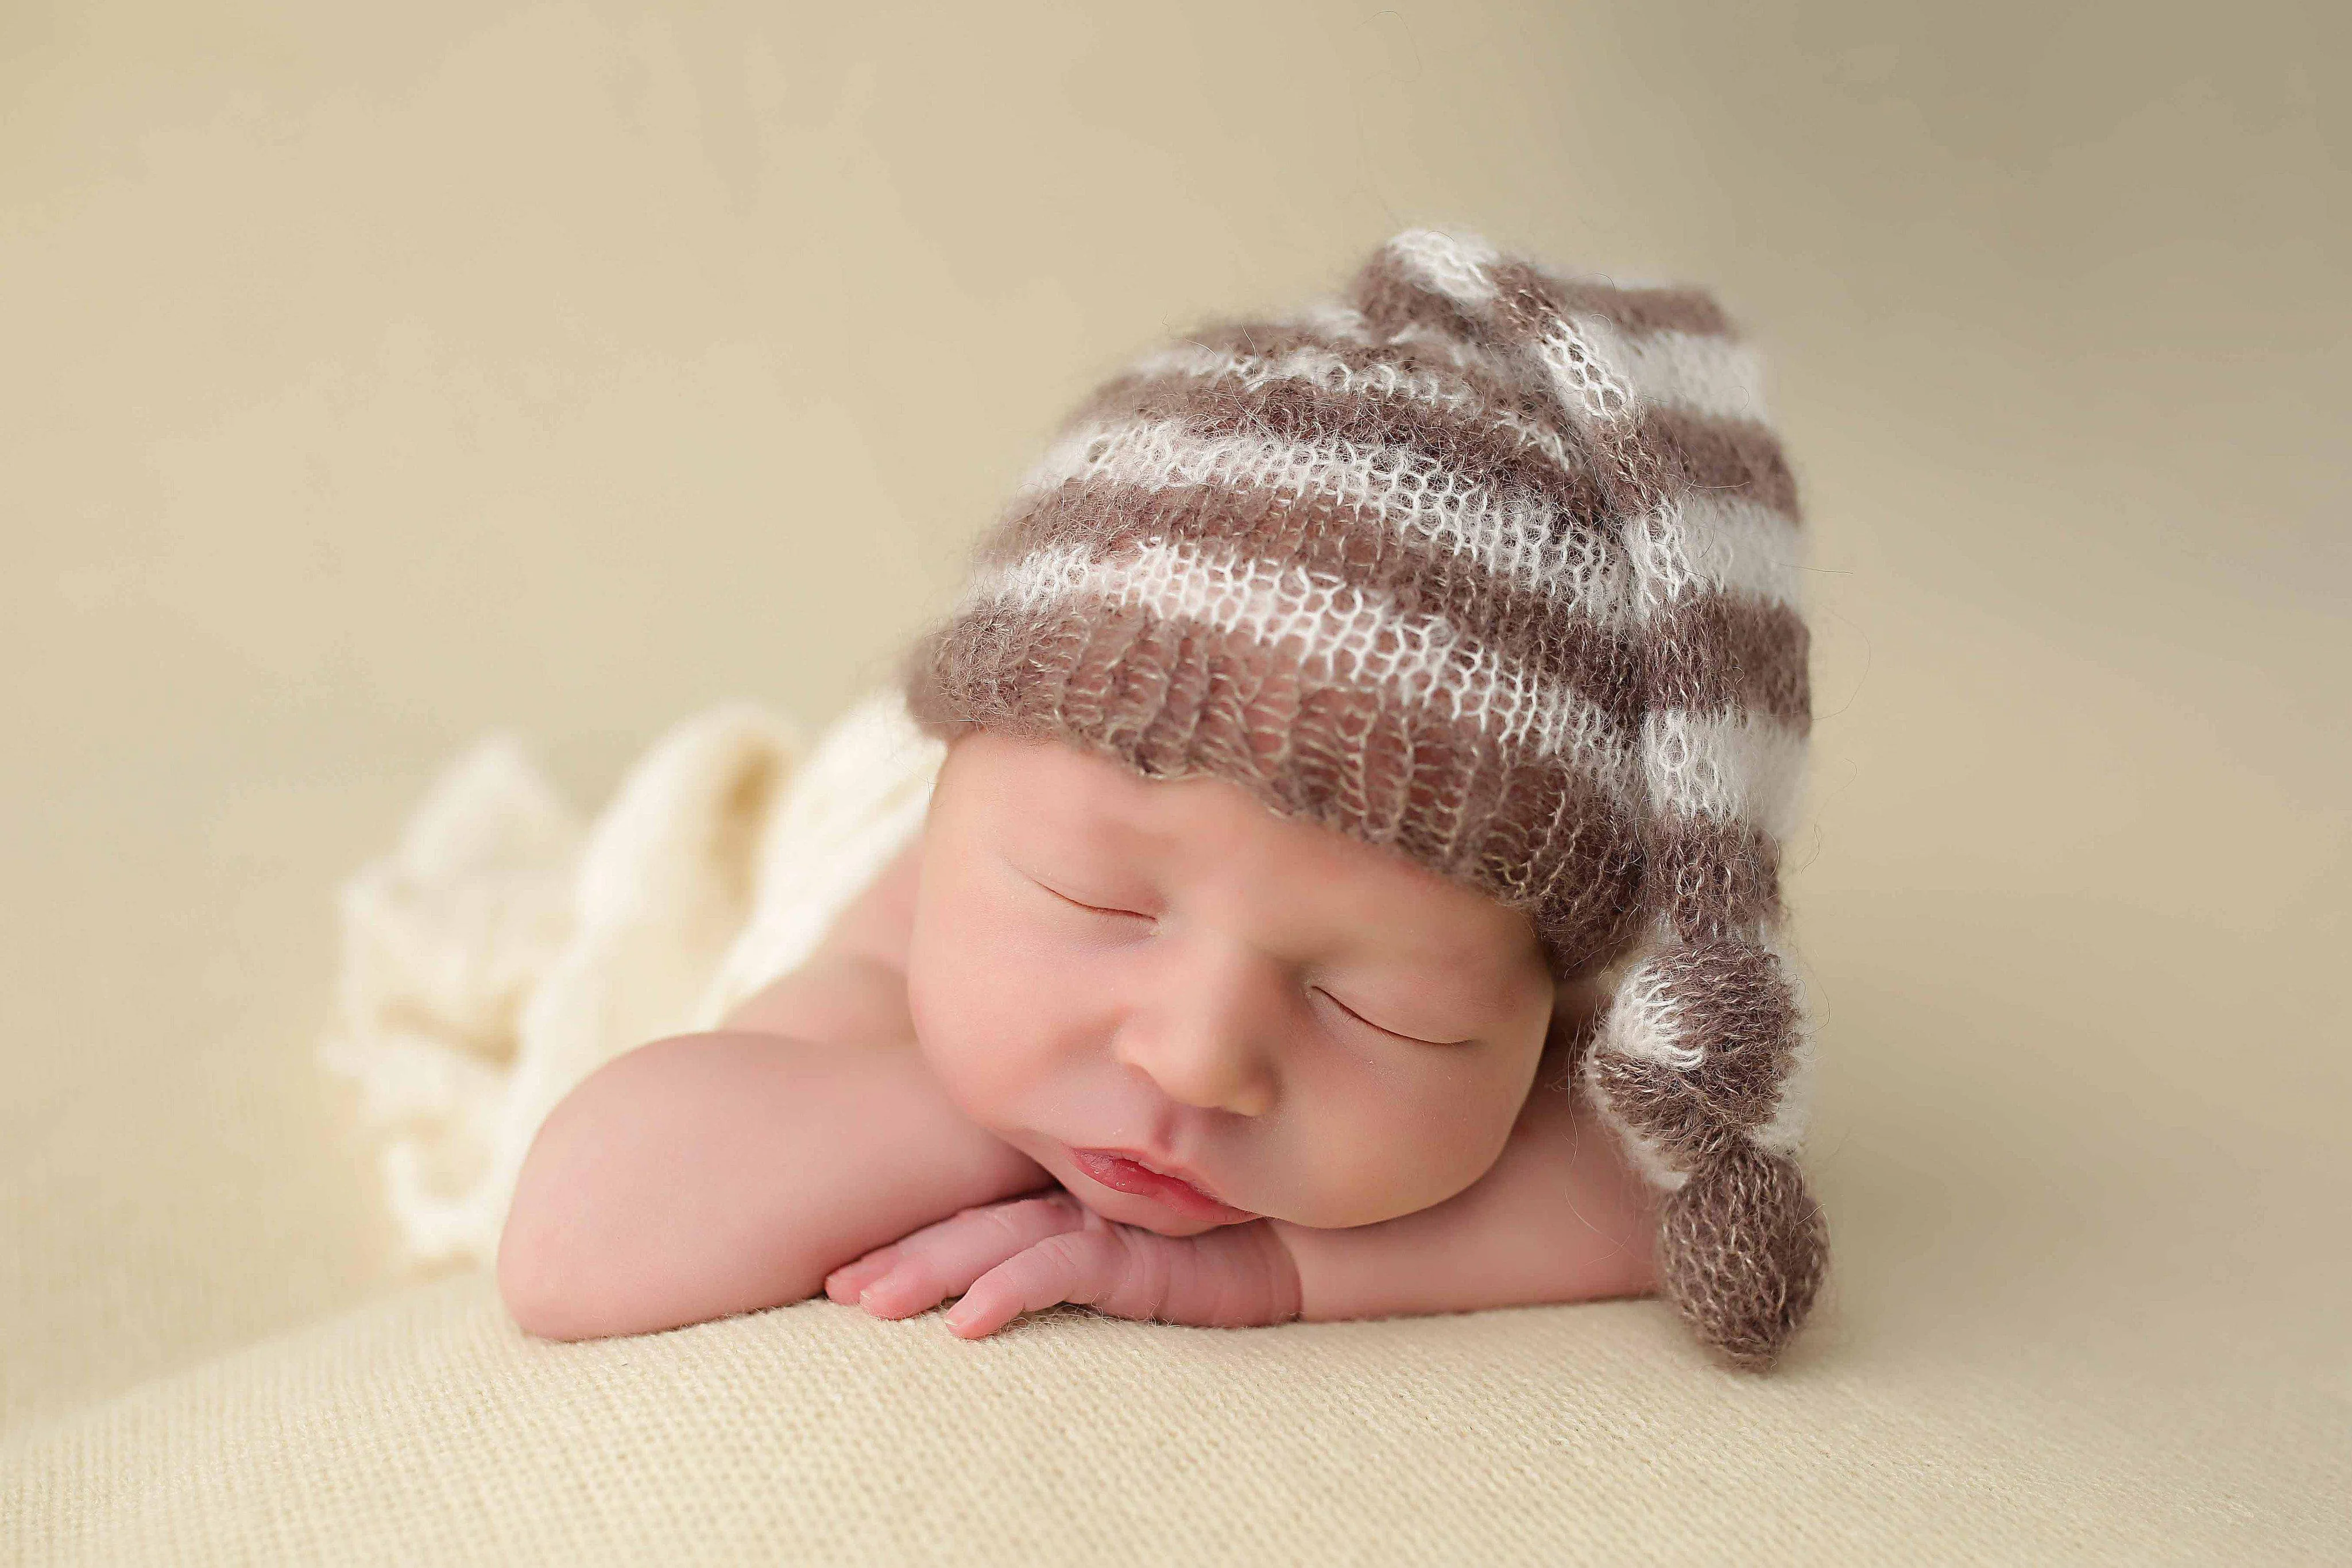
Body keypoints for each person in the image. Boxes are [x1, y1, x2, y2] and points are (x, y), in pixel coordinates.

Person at [496, 229, 1829, 1372]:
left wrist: (1272, 1273)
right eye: (1102, 904)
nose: (1196, 1057)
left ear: (1538, 1000)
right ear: (958, 796)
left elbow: (1662, 1182)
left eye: (1379, 1009)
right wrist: (1001, 1104)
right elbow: (576, 1237)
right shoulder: (912, 922)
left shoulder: (1529, 969)